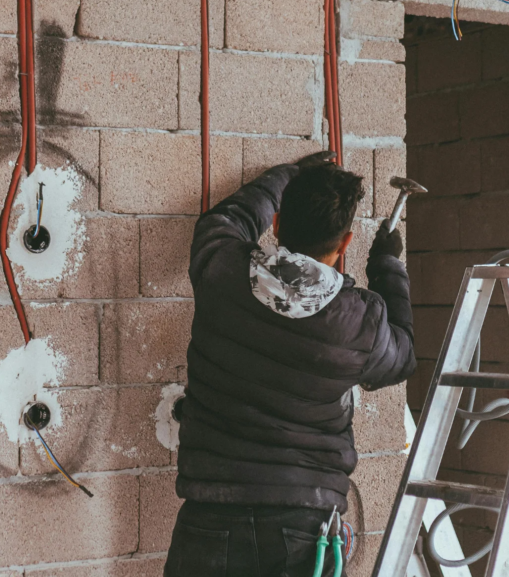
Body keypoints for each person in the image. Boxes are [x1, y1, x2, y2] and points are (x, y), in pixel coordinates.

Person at [164, 151, 416, 577]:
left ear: (277, 225)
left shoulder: (221, 269)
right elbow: (403, 355)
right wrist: (388, 265)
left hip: (209, 516)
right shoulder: (360, 322)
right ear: (345, 243)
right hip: (304, 526)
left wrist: (288, 175)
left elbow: (231, 218)